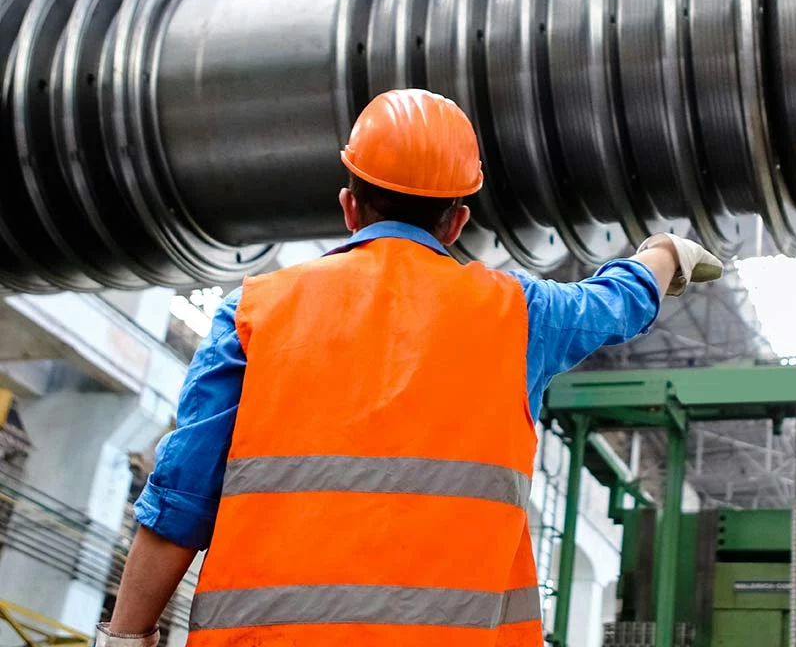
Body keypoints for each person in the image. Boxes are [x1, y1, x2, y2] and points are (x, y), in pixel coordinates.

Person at [98, 89, 722, 647]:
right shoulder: (518, 314)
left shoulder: (255, 310)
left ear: (349, 205)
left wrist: (128, 636)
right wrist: (664, 253)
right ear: (457, 221)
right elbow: (615, 303)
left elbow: (179, 500)